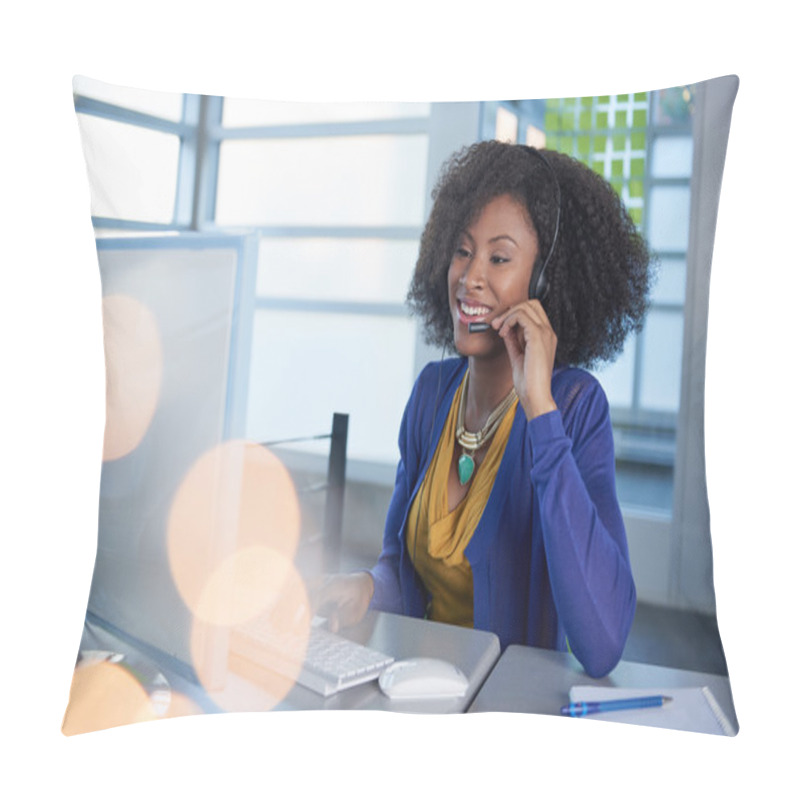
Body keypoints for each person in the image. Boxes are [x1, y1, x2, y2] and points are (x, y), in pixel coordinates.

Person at [316, 139, 653, 678]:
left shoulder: (572, 407)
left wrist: (540, 410)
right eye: (462, 251)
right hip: (416, 689)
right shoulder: (432, 395)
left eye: (499, 257)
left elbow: (603, 640)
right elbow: (403, 573)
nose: (470, 276)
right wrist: (368, 585)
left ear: (545, 283)